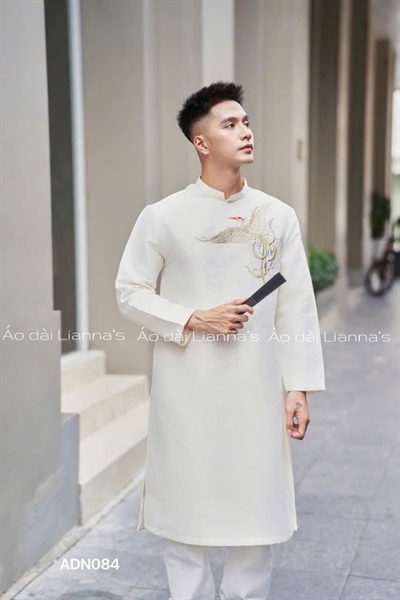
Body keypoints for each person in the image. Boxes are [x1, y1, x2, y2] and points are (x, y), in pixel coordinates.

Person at [115, 81, 326, 600]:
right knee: (184, 512)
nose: (245, 131)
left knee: (256, 512)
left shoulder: (277, 216)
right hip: (185, 387)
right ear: (201, 142)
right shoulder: (162, 216)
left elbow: (297, 305)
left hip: (256, 386)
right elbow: (129, 291)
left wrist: (298, 387)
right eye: (230, 124)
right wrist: (193, 317)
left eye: (246, 122)